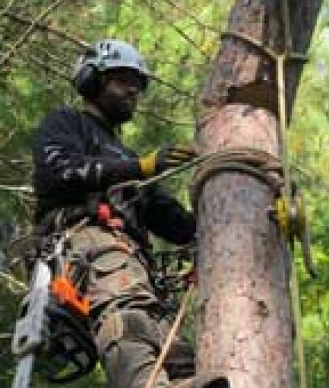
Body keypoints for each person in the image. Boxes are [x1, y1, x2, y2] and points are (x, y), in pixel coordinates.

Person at [32, 39, 227, 388]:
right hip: (89, 242)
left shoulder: (126, 155)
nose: (134, 89)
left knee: (173, 348)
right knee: (127, 319)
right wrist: (140, 166)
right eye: (123, 79)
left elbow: (171, 219)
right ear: (92, 80)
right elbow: (60, 171)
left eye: (138, 84)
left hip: (133, 264)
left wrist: (236, 220)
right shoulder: (66, 124)